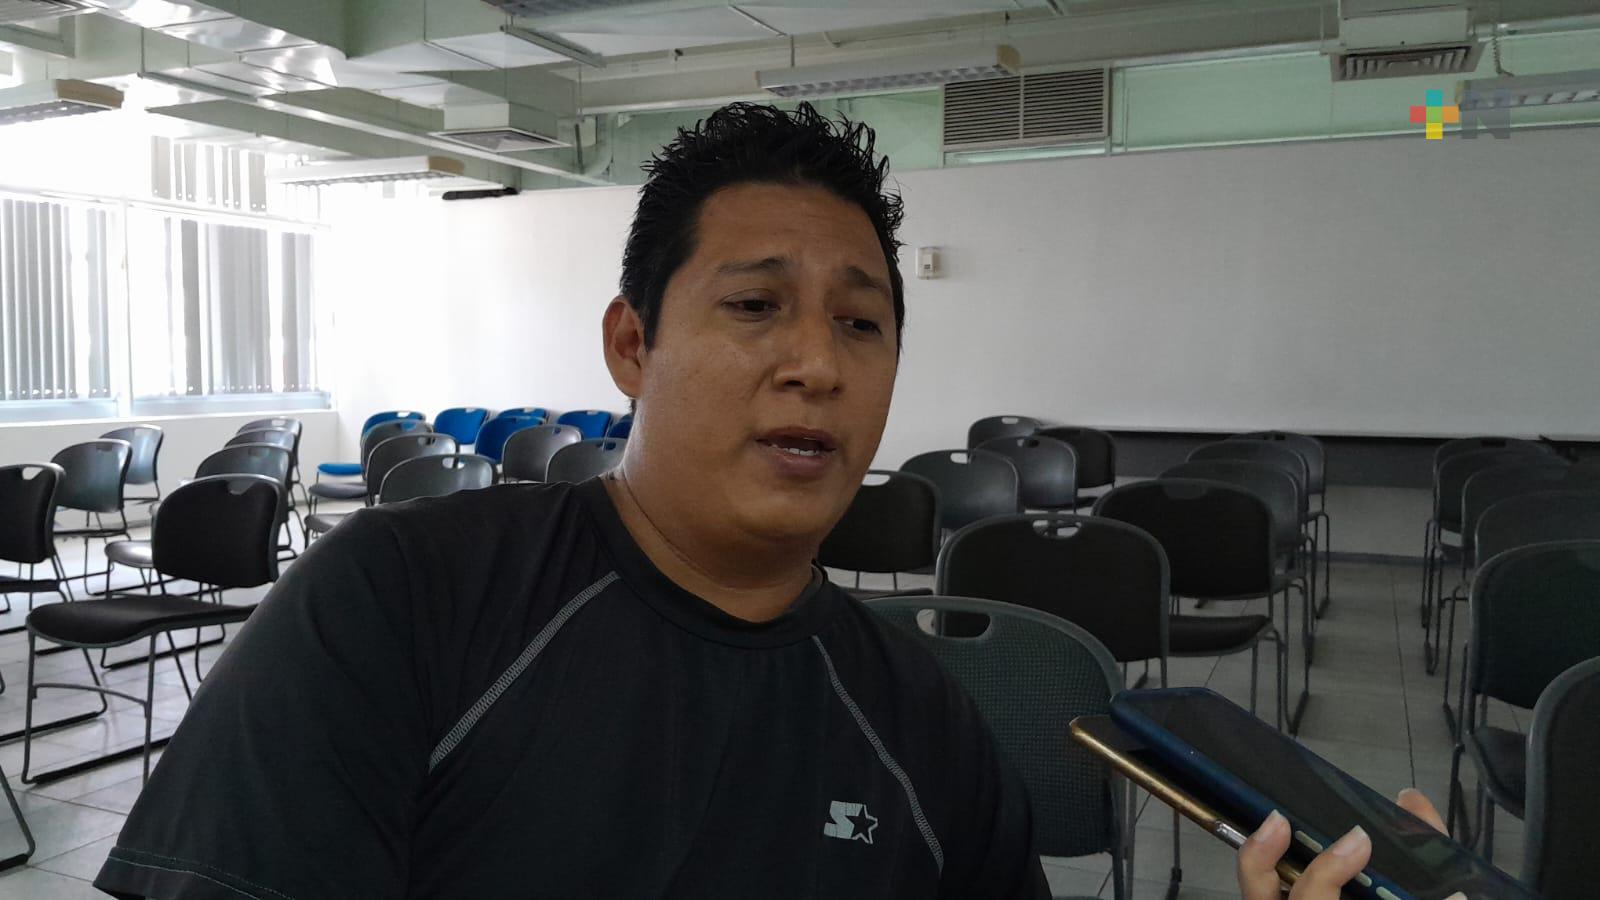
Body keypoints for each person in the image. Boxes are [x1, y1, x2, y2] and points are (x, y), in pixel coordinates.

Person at [95, 102, 1433, 899]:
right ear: (632, 345)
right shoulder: (400, 603)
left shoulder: (922, 722)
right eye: (754, 306)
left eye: (862, 324)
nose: (816, 365)